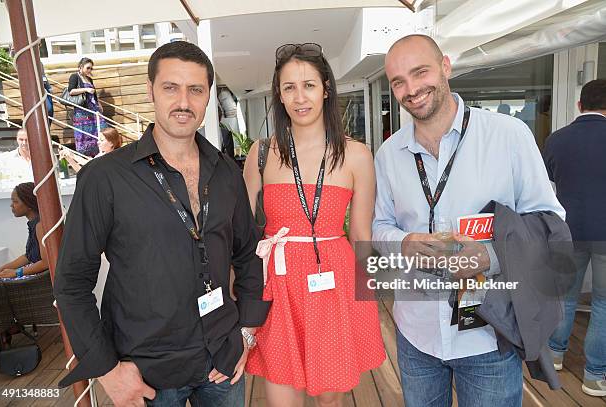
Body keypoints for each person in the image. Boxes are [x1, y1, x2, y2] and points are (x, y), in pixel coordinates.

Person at [54, 41, 270, 406]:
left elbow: (249, 256)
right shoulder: (104, 178)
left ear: (207, 97)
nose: (183, 101)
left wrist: (246, 335)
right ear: (151, 91)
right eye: (171, 87)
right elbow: (72, 284)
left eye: (196, 90)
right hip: (145, 372)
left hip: (221, 359)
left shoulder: (226, 173)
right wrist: (108, 371)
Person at [372, 34, 564, 407]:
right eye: (398, 82)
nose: (411, 89)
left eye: (420, 72)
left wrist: (489, 256)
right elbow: (380, 226)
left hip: (487, 331)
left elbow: (550, 221)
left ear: (445, 66)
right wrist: (405, 243)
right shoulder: (389, 154)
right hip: (416, 332)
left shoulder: (508, 136)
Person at [243, 43, 385, 407]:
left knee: (330, 399)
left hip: (334, 287)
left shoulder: (356, 154)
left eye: (308, 85)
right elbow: (243, 238)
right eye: (289, 87)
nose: (299, 97)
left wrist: (367, 306)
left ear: (326, 88)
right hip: (278, 286)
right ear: (279, 94)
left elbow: (361, 235)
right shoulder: (260, 154)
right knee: (281, 395)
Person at [544, 79, 606, 397]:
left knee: (565, 298)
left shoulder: (556, 140)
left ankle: (554, 355)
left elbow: (549, 181)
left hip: (567, 231)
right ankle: (595, 376)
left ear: (579, 105)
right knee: (604, 304)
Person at [0, 182, 48, 279]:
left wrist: (16, 272)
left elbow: (46, 262)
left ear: (29, 204)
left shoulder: (40, 226)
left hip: (41, 280)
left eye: (15, 202)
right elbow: (28, 256)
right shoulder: (34, 224)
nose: (11, 205)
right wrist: (1, 269)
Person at [67, 57, 107, 157]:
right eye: (88, 68)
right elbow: (71, 91)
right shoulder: (75, 76)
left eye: (91, 68)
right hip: (82, 111)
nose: (89, 70)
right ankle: (85, 156)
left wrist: (99, 105)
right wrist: (85, 89)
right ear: (81, 67)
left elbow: (94, 95)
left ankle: (100, 152)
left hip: (94, 109)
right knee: (85, 133)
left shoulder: (89, 79)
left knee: (102, 128)